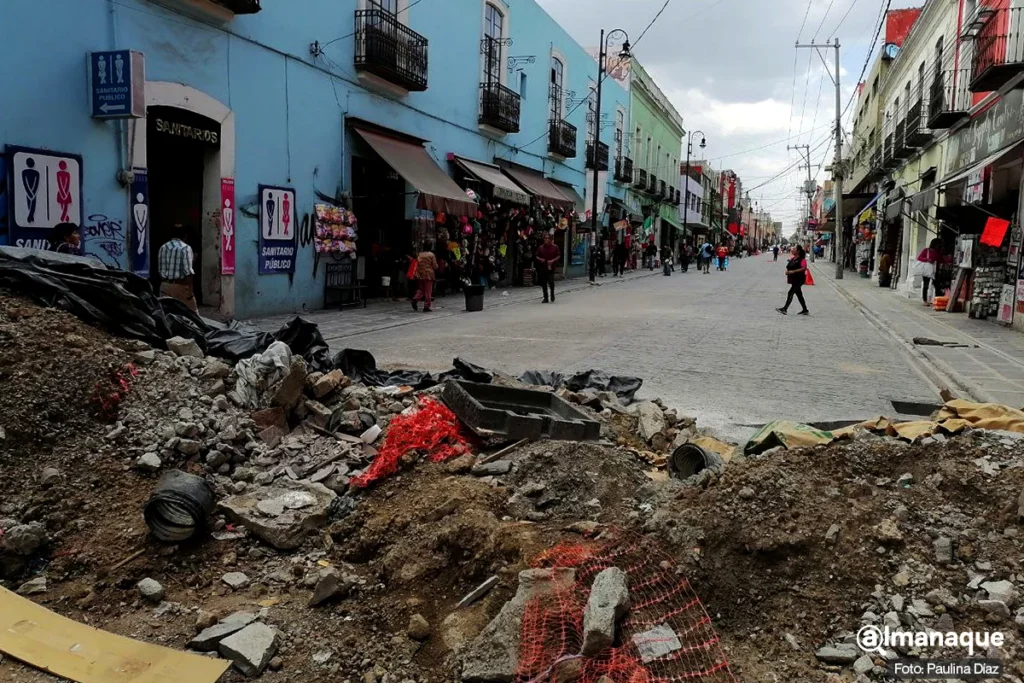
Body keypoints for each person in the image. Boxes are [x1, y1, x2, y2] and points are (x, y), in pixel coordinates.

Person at [158, 223, 198, 312]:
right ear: (185, 235)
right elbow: (188, 272)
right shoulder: (185, 248)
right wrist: (190, 291)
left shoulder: (163, 247)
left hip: (165, 286)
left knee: (166, 314)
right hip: (181, 286)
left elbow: (160, 269)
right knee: (193, 315)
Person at [776, 245, 810, 316]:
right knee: (799, 294)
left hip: (800, 279)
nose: (792, 250)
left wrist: (793, 272)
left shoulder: (802, 259)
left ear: (798, 251)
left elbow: (804, 268)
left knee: (790, 292)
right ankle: (805, 309)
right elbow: (789, 267)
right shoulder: (793, 258)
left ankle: (785, 309)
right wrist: (787, 271)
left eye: (794, 249)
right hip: (793, 279)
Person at [411, 241, 439, 312]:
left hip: (420, 274)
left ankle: (415, 298)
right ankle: (426, 306)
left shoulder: (420, 254)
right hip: (429, 274)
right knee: (428, 291)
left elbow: (417, 264)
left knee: (421, 289)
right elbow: (435, 266)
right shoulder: (431, 255)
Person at [915, 238, 942, 305]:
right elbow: (919, 258)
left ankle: (937, 300)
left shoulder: (938, 252)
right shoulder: (926, 250)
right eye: (938, 244)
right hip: (927, 270)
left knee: (937, 285)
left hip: (935, 270)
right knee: (926, 285)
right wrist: (927, 259)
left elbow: (940, 259)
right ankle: (925, 301)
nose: (939, 246)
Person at [536, 232, 561, 303]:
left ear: (550, 239)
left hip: (551, 267)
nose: (546, 239)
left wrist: (552, 261)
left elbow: (558, 255)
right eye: (545, 238)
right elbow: (537, 256)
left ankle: (552, 294)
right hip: (543, 267)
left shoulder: (555, 247)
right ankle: (545, 297)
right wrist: (541, 259)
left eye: (547, 238)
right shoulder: (541, 247)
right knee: (543, 283)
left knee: (551, 281)